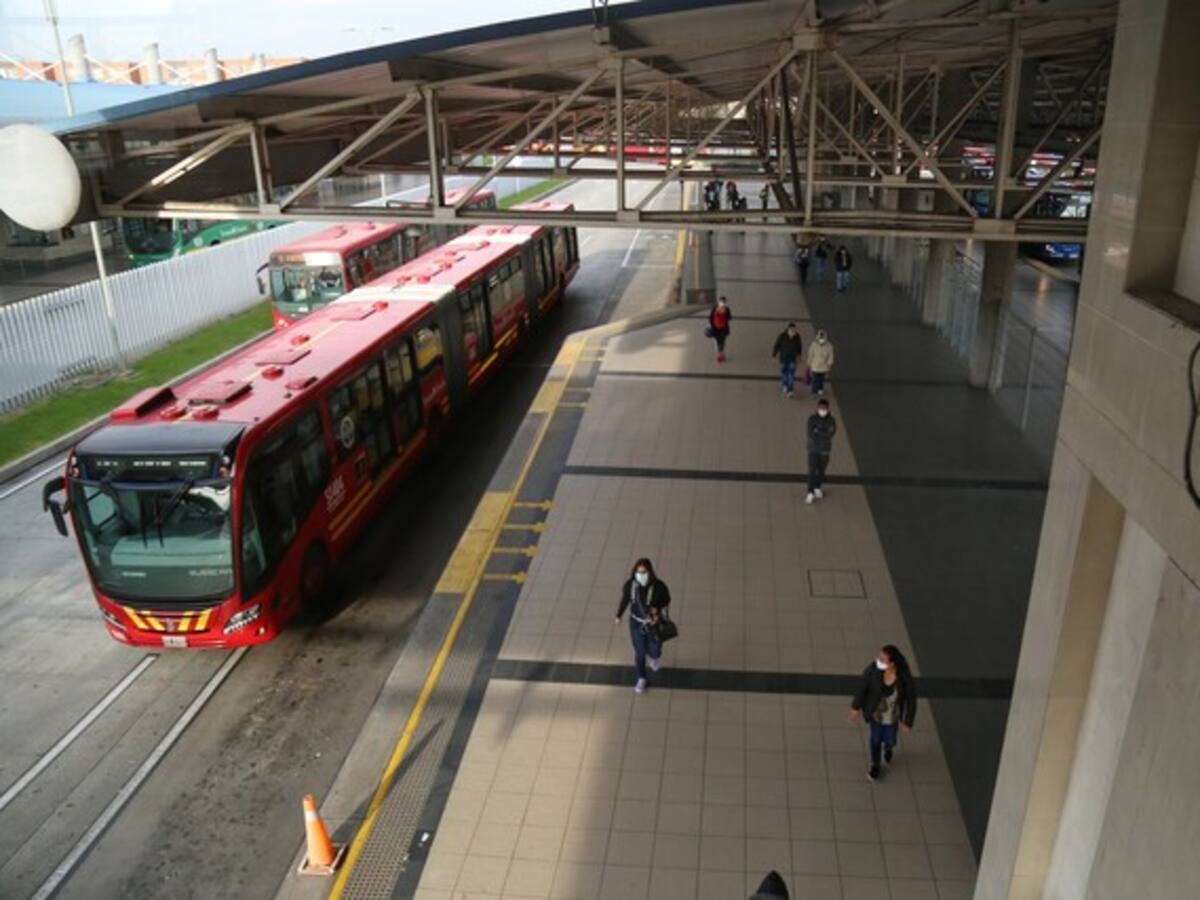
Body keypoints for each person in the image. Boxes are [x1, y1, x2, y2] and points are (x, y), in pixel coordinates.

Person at [848, 644, 918, 781]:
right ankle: (875, 765)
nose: (878, 661)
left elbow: (911, 699)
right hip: (876, 716)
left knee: (890, 740)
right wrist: (855, 708)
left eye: (882, 659)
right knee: (875, 740)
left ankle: (888, 748)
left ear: (892, 663)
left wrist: (908, 722)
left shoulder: (903, 678)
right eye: (879, 657)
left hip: (892, 718)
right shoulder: (872, 670)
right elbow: (862, 687)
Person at [614, 558, 672, 693]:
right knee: (640, 652)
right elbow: (625, 600)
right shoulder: (630, 585)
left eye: (644, 572)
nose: (641, 575)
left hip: (654, 623)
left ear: (650, 572)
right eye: (638, 572)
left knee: (655, 649)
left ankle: (653, 657)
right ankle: (642, 677)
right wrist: (619, 615)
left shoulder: (659, 586)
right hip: (636, 623)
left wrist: (657, 609)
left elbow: (667, 599)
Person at [805, 398, 836, 504]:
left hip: (825, 450)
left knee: (821, 471)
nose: (822, 410)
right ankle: (810, 492)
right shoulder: (812, 419)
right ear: (817, 408)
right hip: (813, 449)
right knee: (812, 470)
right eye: (821, 408)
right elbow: (810, 434)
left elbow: (830, 434)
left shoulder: (831, 420)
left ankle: (817, 486)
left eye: (824, 408)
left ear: (828, 409)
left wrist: (818, 431)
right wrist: (823, 432)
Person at [772, 322, 803, 398]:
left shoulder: (797, 337)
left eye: (794, 329)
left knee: (791, 375)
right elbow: (777, 345)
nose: (793, 331)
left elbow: (799, 347)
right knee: (784, 373)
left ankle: (790, 390)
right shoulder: (782, 336)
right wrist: (774, 355)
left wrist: (799, 356)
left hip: (792, 359)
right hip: (784, 358)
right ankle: (785, 385)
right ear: (788, 329)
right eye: (791, 329)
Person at [806, 329, 834, 396]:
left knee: (821, 379)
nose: (821, 339)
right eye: (820, 338)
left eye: (823, 338)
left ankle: (820, 388)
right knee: (815, 379)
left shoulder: (829, 346)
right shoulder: (814, 345)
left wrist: (830, 364)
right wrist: (808, 363)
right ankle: (814, 391)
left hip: (824, 367)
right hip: (815, 366)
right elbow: (810, 354)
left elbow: (830, 356)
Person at [708, 296, 732, 362]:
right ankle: (720, 355)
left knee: (720, 342)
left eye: (723, 302)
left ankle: (720, 355)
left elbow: (729, 318)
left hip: (720, 328)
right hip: (719, 328)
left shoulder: (723, 309)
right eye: (722, 302)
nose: (723, 303)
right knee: (720, 342)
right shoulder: (719, 309)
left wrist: (724, 313)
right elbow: (710, 318)